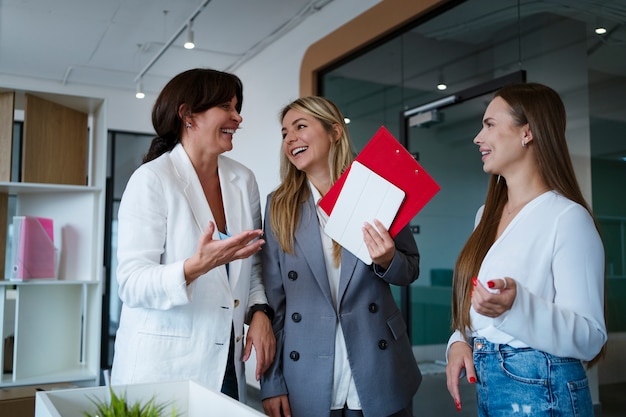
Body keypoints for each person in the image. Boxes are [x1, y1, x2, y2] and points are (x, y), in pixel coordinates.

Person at [110, 68, 275, 402]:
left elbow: (254, 264)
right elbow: (131, 283)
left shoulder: (243, 181)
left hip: (227, 360)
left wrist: (260, 313)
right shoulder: (152, 180)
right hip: (163, 367)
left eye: (237, 107)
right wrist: (194, 267)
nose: (237, 117)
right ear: (188, 115)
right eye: (226, 108)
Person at [445, 83, 607, 416]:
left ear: (527, 132)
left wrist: (518, 307)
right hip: (491, 385)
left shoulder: (567, 218)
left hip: (544, 390)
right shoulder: (485, 215)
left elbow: (591, 335)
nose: (478, 137)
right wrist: (459, 341)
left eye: (489, 124)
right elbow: (479, 309)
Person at [259, 96, 422, 417]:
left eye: (300, 126)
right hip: (307, 373)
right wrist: (272, 382)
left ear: (334, 132)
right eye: (284, 133)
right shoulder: (278, 205)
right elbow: (274, 302)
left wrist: (388, 258)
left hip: (380, 366)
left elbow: (410, 270)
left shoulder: (377, 189)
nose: (290, 138)